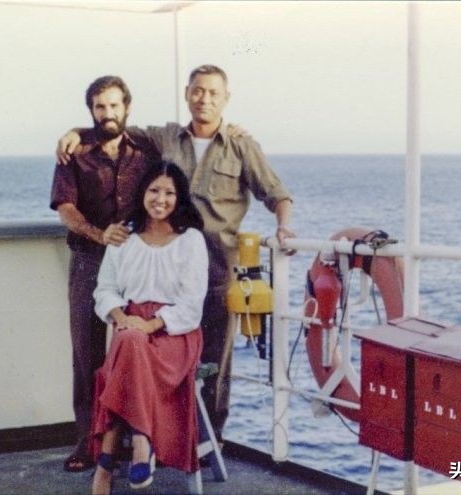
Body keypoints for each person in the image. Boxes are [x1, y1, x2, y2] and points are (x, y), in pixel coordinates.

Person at [57, 64, 295, 444]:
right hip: (169, 270)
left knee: (214, 362)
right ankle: (142, 440)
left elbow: (277, 195)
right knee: (151, 354)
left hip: (218, 270)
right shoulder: (165, 137)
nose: (204, 99)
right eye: (198, 90)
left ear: (226, 98)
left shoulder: (241, 146)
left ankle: (208, 440)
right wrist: (74, 132)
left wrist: (283, 227)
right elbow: (113, 126)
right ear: (187, 94)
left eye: (213, 93)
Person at [50, 75, 154, 472]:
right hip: (90, 261)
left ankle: (133, 439)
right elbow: (66, 208)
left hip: (137, 263)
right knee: (87, 353)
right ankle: (87, 444)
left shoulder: (146, 148)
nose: (107, 113)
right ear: (91, 111)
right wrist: (99, 234)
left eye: (113, 105)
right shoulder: (74, 153)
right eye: (99, 107)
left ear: (127, 107)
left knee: (137, 347)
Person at [90, 161, 208, 494]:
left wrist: (150, 324)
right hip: (129, 327)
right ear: (143, 192)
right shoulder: (124, 237)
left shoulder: (190, 240)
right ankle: (142, 443)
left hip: (174, 334)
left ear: (179, 198)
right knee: (131, 342)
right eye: (154, 190)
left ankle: (106, 465)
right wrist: (121, 316)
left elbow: (191, 305)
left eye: (169, 193)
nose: (160, 199)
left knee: (128, 349)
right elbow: (104, 289)